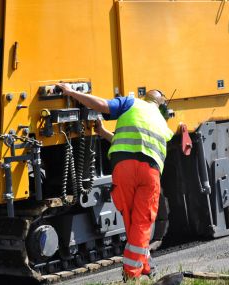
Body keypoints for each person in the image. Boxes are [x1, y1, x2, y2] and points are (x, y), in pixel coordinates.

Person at [57, 83, 174, 280]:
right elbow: (143, 144)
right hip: (149, 173)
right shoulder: (163, 124)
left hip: (123, 169)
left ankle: (144, 266)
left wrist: (71, 92)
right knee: (142, 223)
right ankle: (131, 275)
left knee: (130, 221)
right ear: (162, 107)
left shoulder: (132, 103)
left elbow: (102, 105)